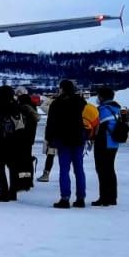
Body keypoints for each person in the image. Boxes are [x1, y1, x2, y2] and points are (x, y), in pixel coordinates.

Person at [45, 78, 88, 209]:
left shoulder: (56, 103)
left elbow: (51, 123)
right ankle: (80, 198)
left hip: (63, 140)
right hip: (78, 139)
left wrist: (49, 139)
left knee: (64, 170)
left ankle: (65, 198)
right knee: (79, 169)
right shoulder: (80, 102)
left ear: (62, 89)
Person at [0, 85, 32, 202]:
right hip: (16, 142)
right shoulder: (17, 106)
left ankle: (3, 192)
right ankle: (13, 192)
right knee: (13, 167)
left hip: (1, 141)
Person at [92, 84, 125, 206]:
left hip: (103, 142)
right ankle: (112, 197)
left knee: (102, 170)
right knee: (110, 169)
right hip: (114, 143)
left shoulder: (102, 110)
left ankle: (104, 198)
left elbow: (96, 126)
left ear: (102, 97)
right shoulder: (117, 108)